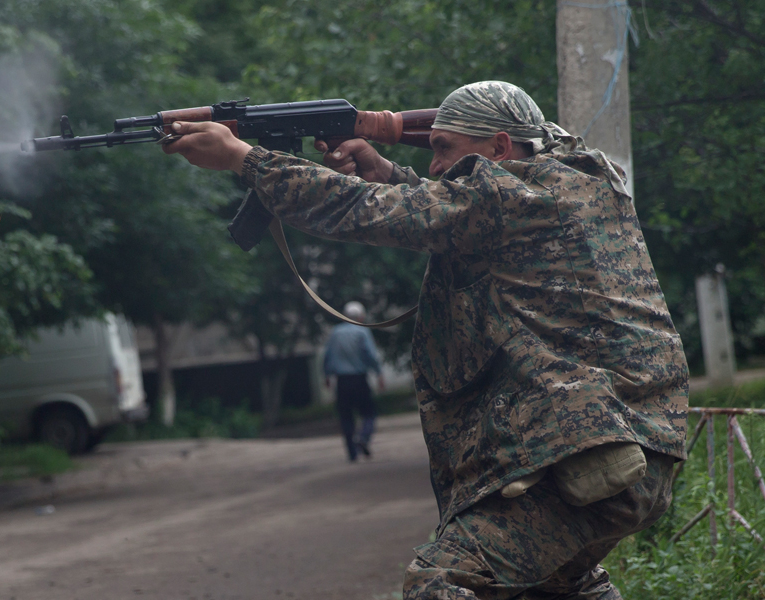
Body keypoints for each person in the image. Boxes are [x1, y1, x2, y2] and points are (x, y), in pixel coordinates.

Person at [163, 81, 688, 600]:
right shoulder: (570, 176)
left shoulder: (511, 195)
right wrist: (389, 171)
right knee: (558, 586)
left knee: (440, 580)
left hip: (587, 450)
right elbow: (463, 207)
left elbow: (364, 210)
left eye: (443, 148)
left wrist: (244, 158)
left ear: (500, 147)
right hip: (615, 444)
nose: (436, 165)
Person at [323, 301, 386, 461]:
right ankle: (363, 438)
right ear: (360, 316)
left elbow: (327, 357)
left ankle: (352, 453)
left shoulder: (335, 333)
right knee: (368, 413)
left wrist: (327, 376)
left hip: (342, 381)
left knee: (346, 417)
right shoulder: (362, 332)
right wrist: (379, 373)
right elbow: (370, 355)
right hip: (359, 379)